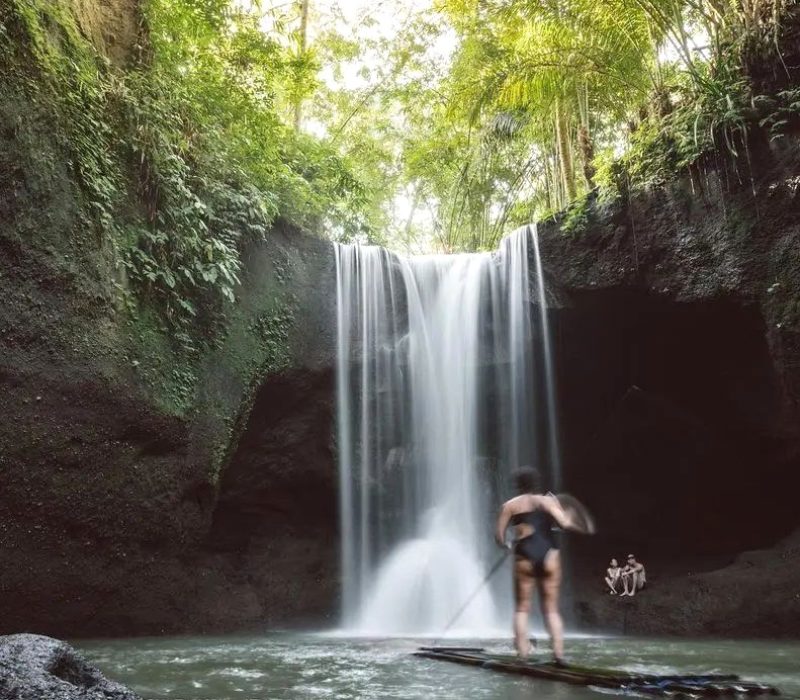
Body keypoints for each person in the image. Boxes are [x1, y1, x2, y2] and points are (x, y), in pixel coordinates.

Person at [494, 466, 592, 664]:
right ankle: (558, 655)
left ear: (517, 485)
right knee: (551, 609)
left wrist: (508, 545)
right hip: (549, 554)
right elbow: (564, 524)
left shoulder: (509, 506)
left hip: (524, 556)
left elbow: (499, 537)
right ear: (536, 483)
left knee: (522, 609)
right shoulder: (548, 501)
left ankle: (523, 656)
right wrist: (571, 515)